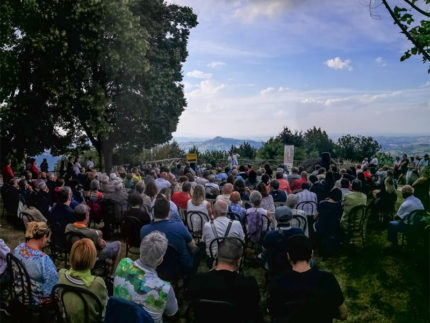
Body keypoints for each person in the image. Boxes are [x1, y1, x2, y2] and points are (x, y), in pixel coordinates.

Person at [268, 235, 347, 322]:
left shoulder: (279, 282)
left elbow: (274, 313)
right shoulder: (327, 279)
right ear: (312, 254)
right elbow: (343, 314)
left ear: (288, 256)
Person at [186, 238, 262, 322]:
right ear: (239, 260)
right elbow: (253, 310)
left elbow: (191, 300)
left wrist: (211, 271)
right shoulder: (249, 285)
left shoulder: (198, 280)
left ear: (216, 256)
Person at [114, 231, 178, 322]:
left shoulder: (123, 264)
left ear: (140, 250)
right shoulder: (165, 289)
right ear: (160, 260)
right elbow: (172, 313)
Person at [140, 197, 198, 276]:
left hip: (155, 266)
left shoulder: (144, 230)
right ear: (169, 213)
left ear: (154, 212)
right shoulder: (179, 227)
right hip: (178, 267)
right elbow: (193, 246)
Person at [58, 239, 108, 323]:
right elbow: (104, 308)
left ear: (72, 256)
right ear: (92, 259)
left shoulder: (61, 275)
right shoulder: (97, 283)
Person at [65, 204, 122, 273]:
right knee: (118, 244)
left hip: (75, 254)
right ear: (86, 216)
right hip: (91, 257)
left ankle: (107, 263)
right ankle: (112, 274)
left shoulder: (68, 227)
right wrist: (101, 241)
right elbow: (101, 246)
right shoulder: (93, 234)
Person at [14, 222, 58, 306]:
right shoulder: (44, 260)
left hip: (19, 290)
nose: (47, 241)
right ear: (44, 236)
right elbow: (51, 288)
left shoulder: (18, 248)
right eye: (47, 238)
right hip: (34, 298)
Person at [263, 206, 304, 274]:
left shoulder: (270, 235)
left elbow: (265, 251)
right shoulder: (299, 232)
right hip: (294, 264)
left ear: (276, 218)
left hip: (275, 267)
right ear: (291, 217)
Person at [314, 188, 343, 255]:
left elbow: (315, 217)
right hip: (333, 227)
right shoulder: (339, 205)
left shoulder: (322, 203)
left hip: (321, 227)